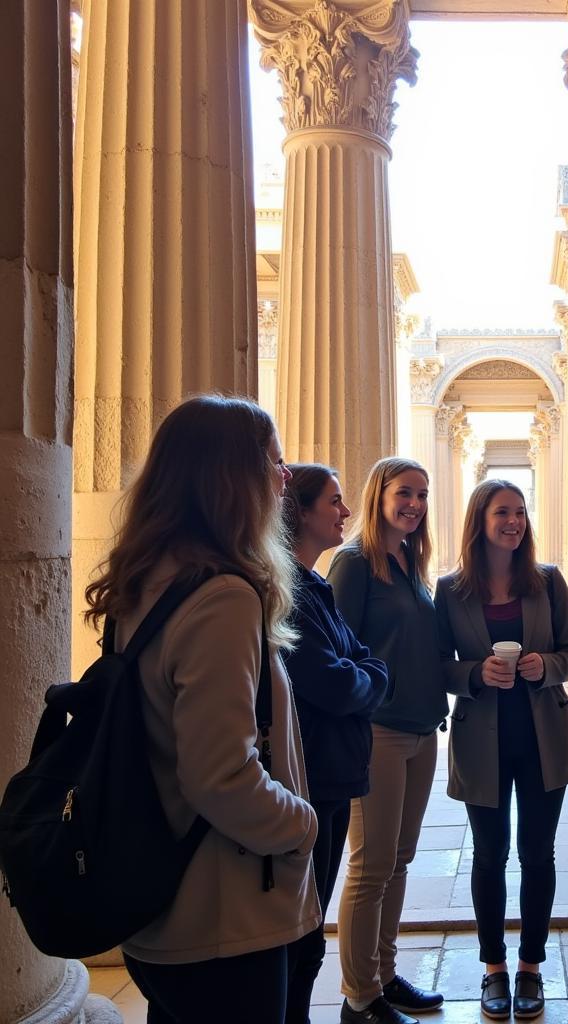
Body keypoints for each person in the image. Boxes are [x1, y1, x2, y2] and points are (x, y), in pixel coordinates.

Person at [84, 394, 320, 1024]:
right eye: (273, 461)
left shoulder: (149, 580)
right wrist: (302, 825)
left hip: (166, 905)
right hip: (223, 914)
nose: (285, 477)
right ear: (232, 478)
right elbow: (221, 776)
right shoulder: (222, 596)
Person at [434, 479, 568, 1022]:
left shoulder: (547, 581)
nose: (514, 522)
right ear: (480, 520)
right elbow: (438, 666)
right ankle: (493, 969)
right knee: (489, 855)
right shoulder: (450, 590)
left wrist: (546, 666)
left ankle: (530, 966)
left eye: (521, 512)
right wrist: (476, 673)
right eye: (503, 512)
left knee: (537, 855)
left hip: (545, 739)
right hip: (482, 743)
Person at [327, 457, 448, 1024]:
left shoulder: (407, 561)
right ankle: (359, 997)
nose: (415, 504)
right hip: (379, 734)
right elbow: (336, 654)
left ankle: (383, 971)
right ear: (378, 495)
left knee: (399, 860)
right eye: (405, 493)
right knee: (371, 865)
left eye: (423, 495)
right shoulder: (353, 563)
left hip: (422, 731)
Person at [281, 464, 390, 1024]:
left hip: (331, 770)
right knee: (300, 931)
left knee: (309, 923)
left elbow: (361, 660)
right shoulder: (289, 589)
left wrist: (363, 673)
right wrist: (367, 676)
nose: (345, 513)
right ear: (299, 511)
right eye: (335, 502)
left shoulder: (314, 583)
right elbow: (336, 679)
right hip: (314, 776)